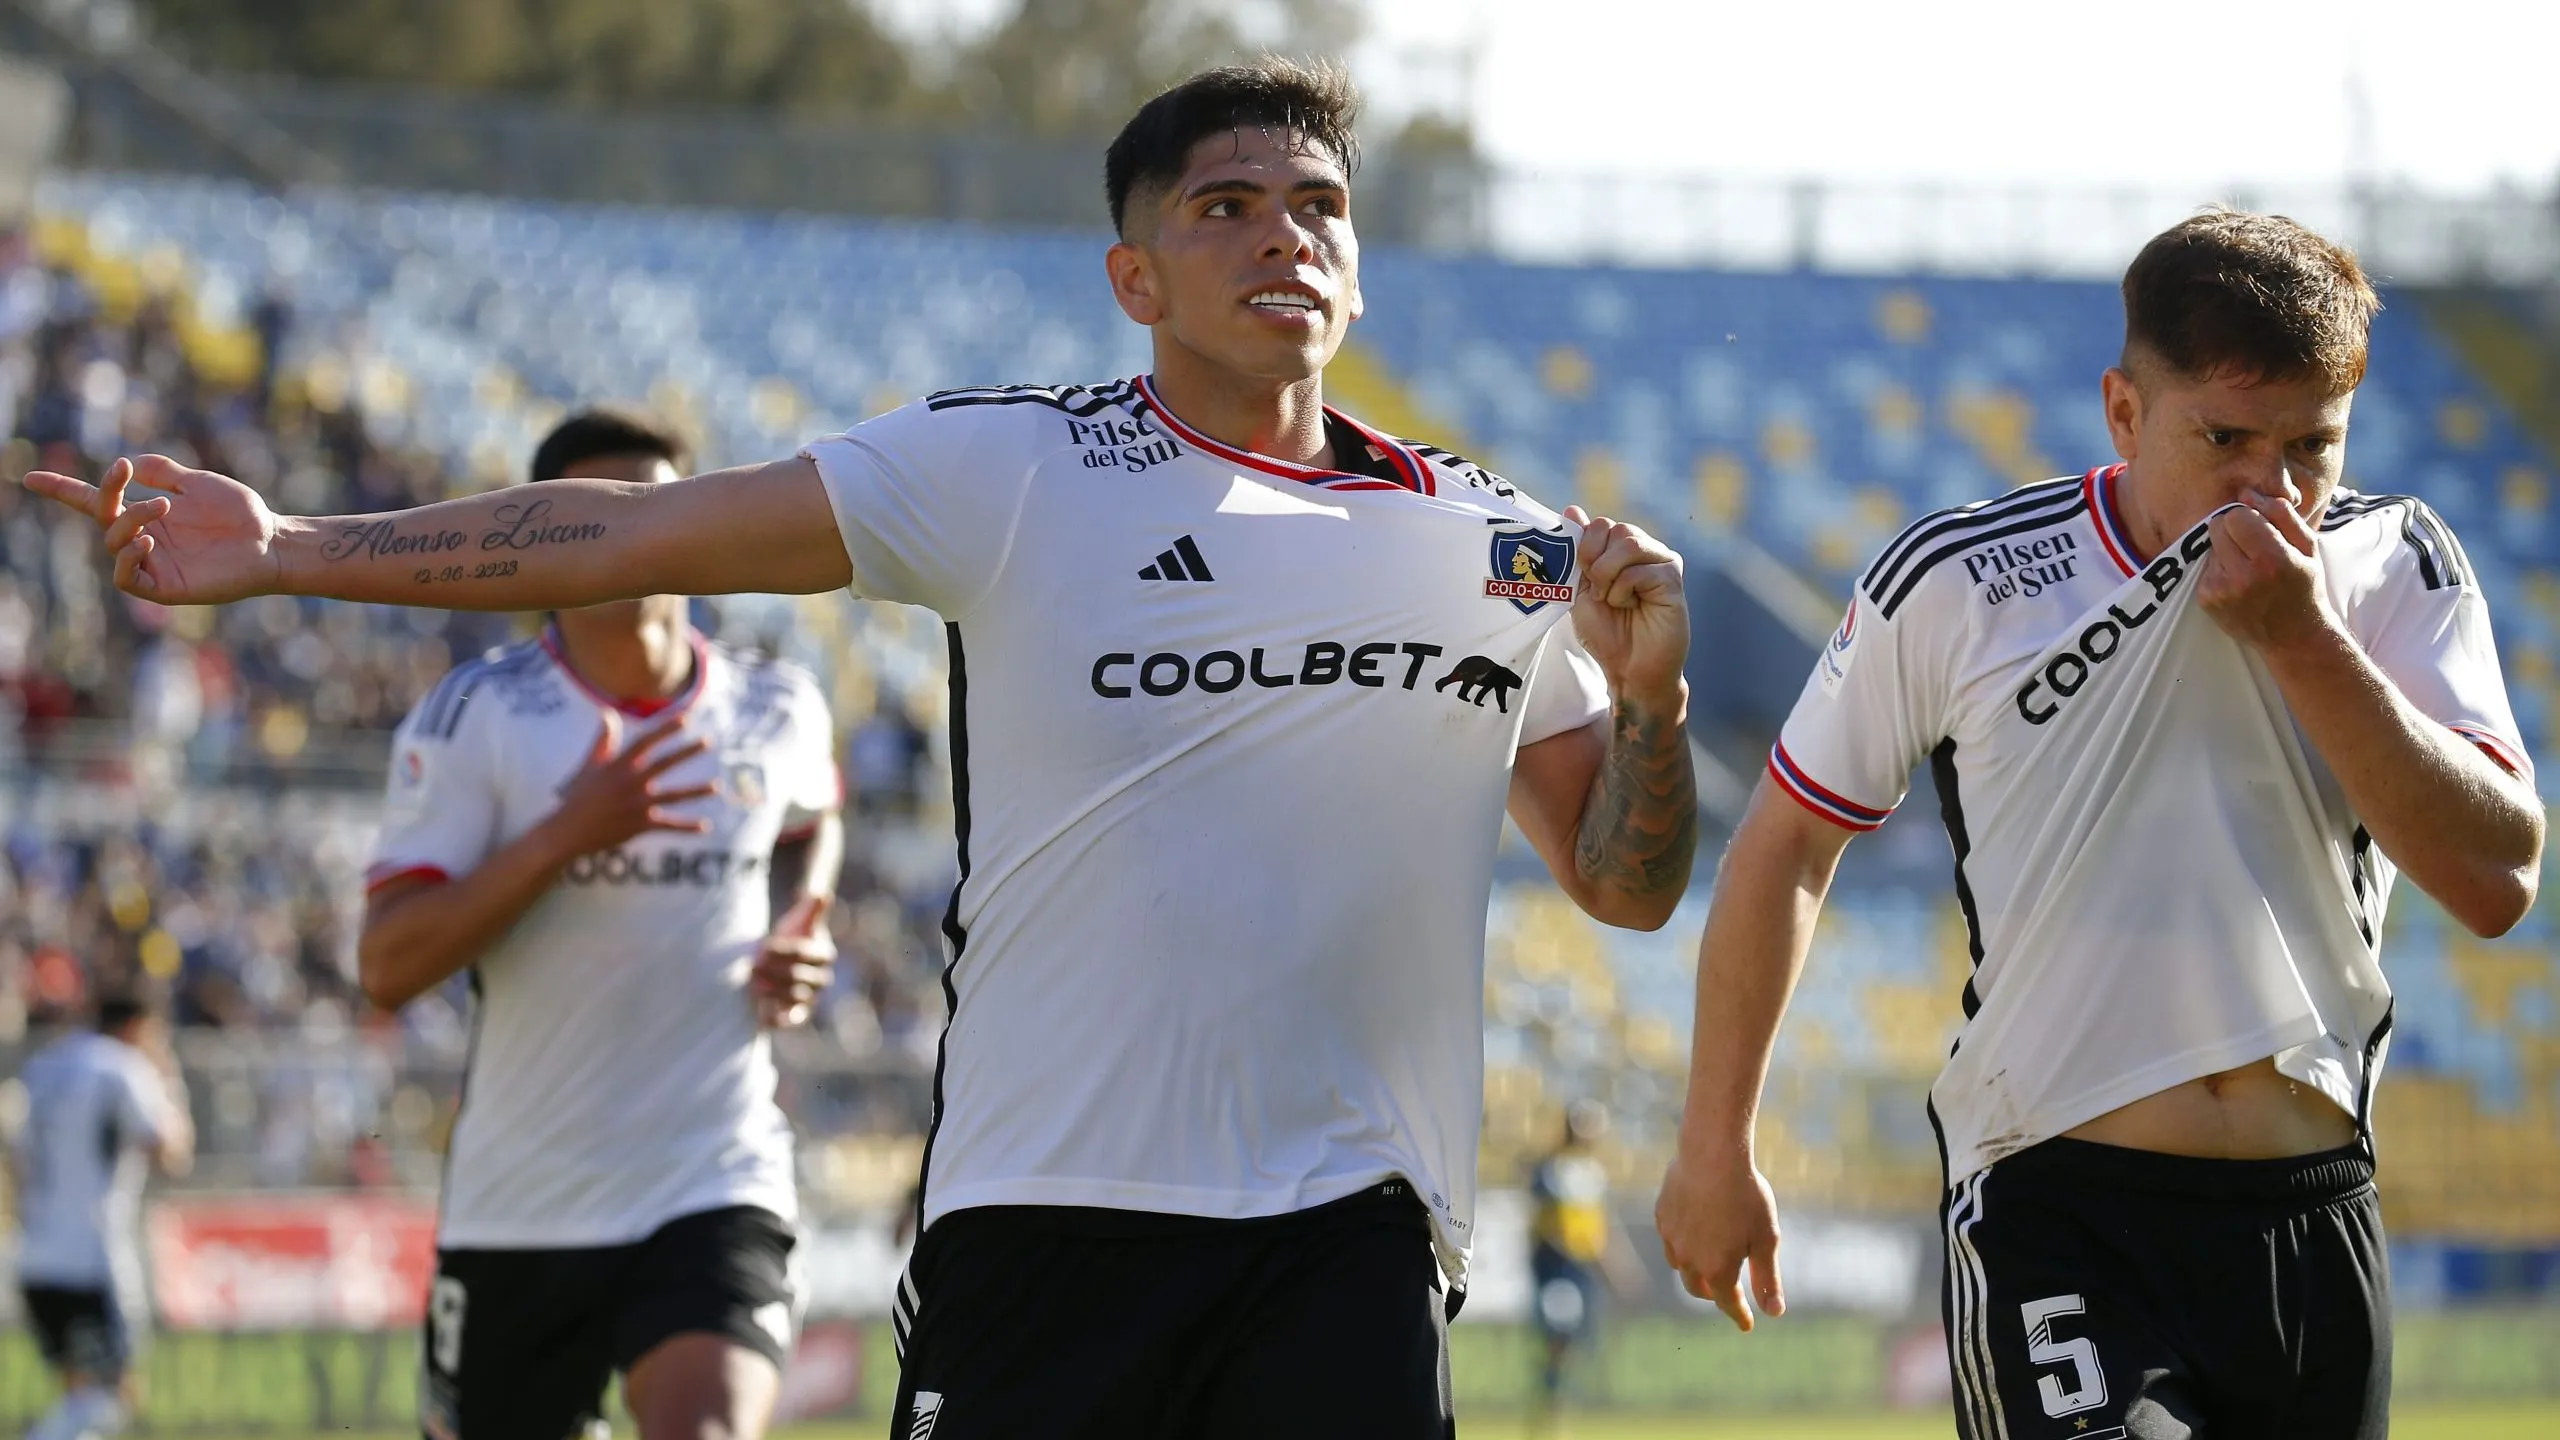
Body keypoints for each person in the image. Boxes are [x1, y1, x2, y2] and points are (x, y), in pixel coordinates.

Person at [24, 59, 1699, 1439]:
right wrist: (292, 545)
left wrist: (1652, 708)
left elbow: (1624, 885)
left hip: (1353, 1236)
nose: (1288, 237)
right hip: (1047, 1213)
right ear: (1137, 276)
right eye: (1228, 205)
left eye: (1322, 205)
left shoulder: (1501, 548)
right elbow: (628, 538)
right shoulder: (1014, 471)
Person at [1654, 211, 2543, 1440]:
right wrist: (1715, 1143)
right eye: (2223, 439)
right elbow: (1784, 846)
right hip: (2059, 1207)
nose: (2267, 489)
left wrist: (2300, 639)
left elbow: (2496, 876)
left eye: (2309, 448)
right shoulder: (1960, 580)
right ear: (2124, 412)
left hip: (2313, 1212)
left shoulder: (2390, 564)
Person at [355, 410, 846, 1440]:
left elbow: (811, 821)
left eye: (651, 506)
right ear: (538, 537)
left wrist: (802, 919)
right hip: (520, 1203)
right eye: (594, 512)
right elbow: (388, 966)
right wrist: (562, 838)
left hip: (711, 1175)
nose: (627, 531)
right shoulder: (477, 716)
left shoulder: (776, 703)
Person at [10, 988, 194, 1440]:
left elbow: (14, 1159)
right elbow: (172, 1154)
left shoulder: (42, 1067)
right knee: (112, 1397)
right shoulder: (123, 1067)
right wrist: (168, 1082)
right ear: (137, 1027)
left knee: (80, 1398)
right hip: (93, 1259)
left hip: (35, 1258)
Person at [1524, 1100, 1644, 1436]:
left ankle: (1555, 1408)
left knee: (1578, 1344)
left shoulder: (1593, 1173)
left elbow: (1602, 1229)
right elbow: (1542, 1224)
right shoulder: (1551, 1169)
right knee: (1559, 1334)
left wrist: (1618, 1269)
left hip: (1584, 1270)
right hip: (1557, 1267)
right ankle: (1550, 1413)